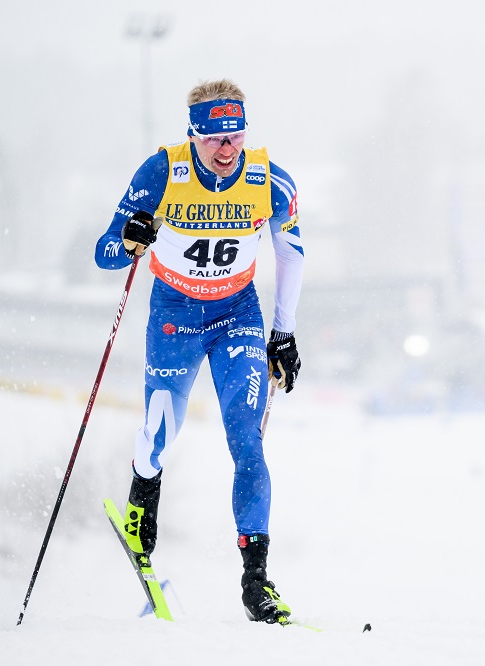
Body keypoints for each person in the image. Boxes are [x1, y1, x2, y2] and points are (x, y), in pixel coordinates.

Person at [94, 79, 304, 624]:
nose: (226, 148)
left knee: (248, 440)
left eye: (235, 135)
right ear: (194, 136)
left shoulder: (269, 183)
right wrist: (132, 238)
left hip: (237, 316)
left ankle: (256, 582)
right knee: (161, 427)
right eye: (214, 138)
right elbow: (106, 253)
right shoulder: (161, 172)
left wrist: (283, 333)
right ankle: (142, 501)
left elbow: (292, 256)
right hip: (176, 315)